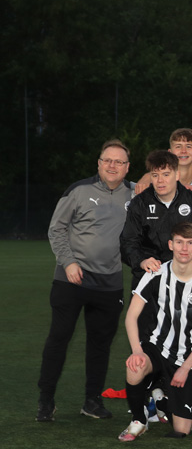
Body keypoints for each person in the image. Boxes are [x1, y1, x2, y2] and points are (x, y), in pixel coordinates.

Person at [38, 139, 133, 422]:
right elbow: (56, 229)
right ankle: (46, 401)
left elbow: (167, 188)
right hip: (72, 279)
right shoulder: (78, 191)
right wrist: (68, 262)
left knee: (100, 344)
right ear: (99, 163)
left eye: (119, 161)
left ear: (128, 168)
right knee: (59, 339)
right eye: (107, 160)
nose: (112, 165)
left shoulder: (137, 193)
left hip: (110, 283)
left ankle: (91, 401)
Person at [118, 222, 192, 441]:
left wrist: (186, 367)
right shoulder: (156, 274)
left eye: (190, 243)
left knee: (182, 430)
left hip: (185, 357)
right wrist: (137, 350)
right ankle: (138, 420)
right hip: (156, 347)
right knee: (135, 367)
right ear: (171, 244)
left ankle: (160, 398)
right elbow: (131, 316)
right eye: (180, 242)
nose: (184, 248)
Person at [120, 150, 192, 291]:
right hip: (149, 278)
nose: (160, 181)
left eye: (166, 174)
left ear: (177, 175)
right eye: (155, 175)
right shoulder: (140, 203)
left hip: (184, 279)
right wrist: (141, 261)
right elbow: (128, 241)